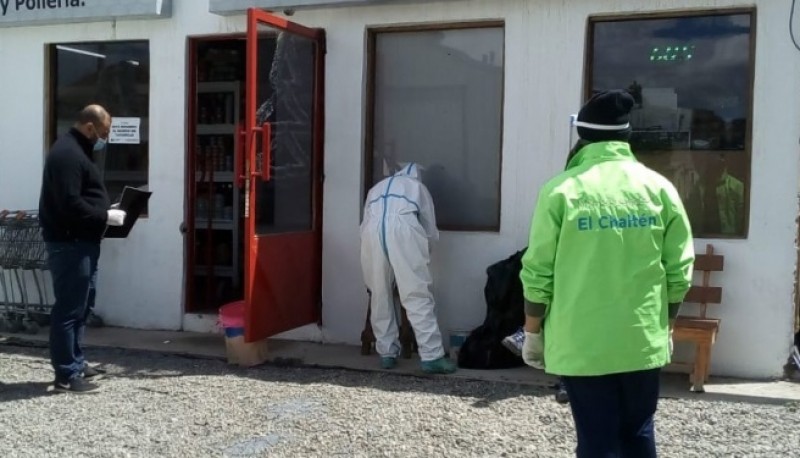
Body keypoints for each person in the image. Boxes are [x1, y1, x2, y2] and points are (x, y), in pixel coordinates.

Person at [519, 90, 694, 457]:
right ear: (625, 136)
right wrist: (667, 325)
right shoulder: (660, 189)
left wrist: (532, 333)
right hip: (641, 339)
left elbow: (537, 273)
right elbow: (679, 272)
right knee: (639, 433)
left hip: (582, 343)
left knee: (597, 440)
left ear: (582, 138)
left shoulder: (560, 191)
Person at [39, 105, 126, 393]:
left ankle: (76, 361)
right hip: (70, 243)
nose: (105, 137)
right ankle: (66, 375)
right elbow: (69, 203)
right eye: (104, 132)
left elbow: (80, 197)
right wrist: (104, 216)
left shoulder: (77, 151)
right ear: (90, 127)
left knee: (82, 305)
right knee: (69, 308)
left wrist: (105, 208)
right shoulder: (67, 154)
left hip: (83, 242)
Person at [360, 163, 456, 374]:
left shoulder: (377, 188)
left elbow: (364, 223)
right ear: (416, 175)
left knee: (379, 293)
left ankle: (386, 353)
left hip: (372, 233)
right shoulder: (417, 188)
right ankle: (432, 356)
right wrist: (424, 254)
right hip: (404, 230)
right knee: (416, 294)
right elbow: (429, 227)